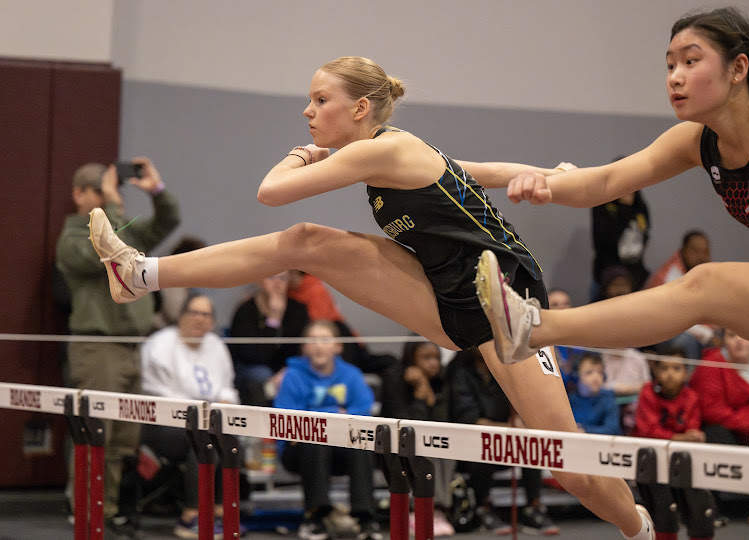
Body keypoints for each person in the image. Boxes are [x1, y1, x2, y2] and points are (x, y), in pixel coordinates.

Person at [88, 55, 655, 539]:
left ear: (360, 108)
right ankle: (142, 274)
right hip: (446, 299)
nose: (308, 112)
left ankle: (640, 528)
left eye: (320, 99)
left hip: (509, 303)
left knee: (567, 459)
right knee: (307, 243)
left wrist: (301, 156)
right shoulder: (394, 155)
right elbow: (485, 171)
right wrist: (542, 173)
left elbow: (270, 191)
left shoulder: (382, 151)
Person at [478, 7, 749, 453]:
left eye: (691, 61)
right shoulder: (695, 141)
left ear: (738, 69)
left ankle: (536, 328)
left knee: (708, 284)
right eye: (669, 65)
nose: (675, 76)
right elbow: (606, 182)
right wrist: (545, 186)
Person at [56, 158, 180, 537]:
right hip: (98, 347)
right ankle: (85, 510)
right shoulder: (74, 238)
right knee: (95, 433)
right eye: (99, 191)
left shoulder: (124, 231)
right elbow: (104, 248)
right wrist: (111, 204)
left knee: (123, 439)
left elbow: (167, 222)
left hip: (130, 346)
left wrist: (157, 192)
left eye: (111, 192)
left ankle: (106, 509)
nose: (111, 199)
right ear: (79, 195)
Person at [139, 294, 239, 539]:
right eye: (194, 312)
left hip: (208, 419)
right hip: (164, 422)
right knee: (203, 439)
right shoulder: (160, 344)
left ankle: (220, 512)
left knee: (227, 440)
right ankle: (192, 515)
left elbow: (227, 386)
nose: (199, 319)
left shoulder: (217, 345)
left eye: (206, 315)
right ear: (181, 316)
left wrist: (225, 401)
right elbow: (154, 391)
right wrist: (200, 411)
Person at [273, 320, 380, 540]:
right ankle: (316, 517)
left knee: (361, 443)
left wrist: (324, 416)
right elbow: (289, 420)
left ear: (337, 347)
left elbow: (363, 412)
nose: (318, 346)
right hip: (300, 450)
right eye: (312, 340)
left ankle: (364, 518)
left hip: (342, 448)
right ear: (304, 347)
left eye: (325, 339)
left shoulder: (351, 375)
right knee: (316, 436)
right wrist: (335, 413)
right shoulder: (292, 376)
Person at [449, 348, 559, 535]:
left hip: (505, 440)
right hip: (470, 444)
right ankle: (484, 508)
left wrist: (520, 420)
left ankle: (532, 507)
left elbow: (519, 404)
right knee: (480, 448)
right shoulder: (459, 375)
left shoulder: (503, 372)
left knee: (531, 445)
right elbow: (470, 419)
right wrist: (507, 427)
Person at [633, 350, 715, 540]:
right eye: (664, 368)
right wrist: (679, 437)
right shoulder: (647, 392)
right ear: (656, 372)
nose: (670, 373)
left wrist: (692, 436)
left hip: (683, 459)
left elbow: (692, 428)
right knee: (663, 507)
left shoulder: (691, 396)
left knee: (699, 504)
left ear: (686, 372)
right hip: (650, 459)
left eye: (676, 368)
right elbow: (648, 431)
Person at [380, 339, 455, 537]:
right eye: (426, 358)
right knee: (426, 448)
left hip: (432, 440)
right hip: (395, 444)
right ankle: (420, 510)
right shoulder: (393, 378)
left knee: (445, 448)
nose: (433, 363)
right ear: (411, 359)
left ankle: (438, 509)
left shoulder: (442, 380)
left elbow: (443, 421)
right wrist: (421, 396)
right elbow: (408, 424)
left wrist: (425, 388)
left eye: (436, 358)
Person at [228, 272, 310, 405]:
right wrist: (273, 320)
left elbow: (302, 350)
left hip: (287, 368)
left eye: (282, 278)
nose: (277, 283)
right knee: (262, 376)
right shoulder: (246, 311)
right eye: (271, 277)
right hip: (252, 369)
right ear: (260, 280)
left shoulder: (298, 310)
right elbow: (253, 356)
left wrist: (287, 370)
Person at [689, 329, 749, 446]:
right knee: (717, 433)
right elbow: (713, 412)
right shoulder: (710, 365)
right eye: (732, 335)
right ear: (723, 341)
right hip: (729, 435)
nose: (739, 340)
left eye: (744, 335)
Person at [646, 230, 716, 359]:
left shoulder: (705, 272)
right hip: (665, 330)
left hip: (701, 329)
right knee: (687, 342)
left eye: (705, 252)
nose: (701, 256)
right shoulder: (670, 276)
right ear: (683, 251)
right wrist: (708, 335)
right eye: (695, 251)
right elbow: (674, 319)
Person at [591, 170, 650, 299]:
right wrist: (624, 209)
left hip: (634, 273)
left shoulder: (640, 205)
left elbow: (644, 236)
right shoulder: (602, 204)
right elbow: (603, 240)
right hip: (607, 274)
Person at [568, 353, 621, 436]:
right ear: (576, 376)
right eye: (589, 372)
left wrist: (584, 429)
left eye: (600, 372)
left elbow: (612, 429)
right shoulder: (569, 399)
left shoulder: (608, 398)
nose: (596, 377)